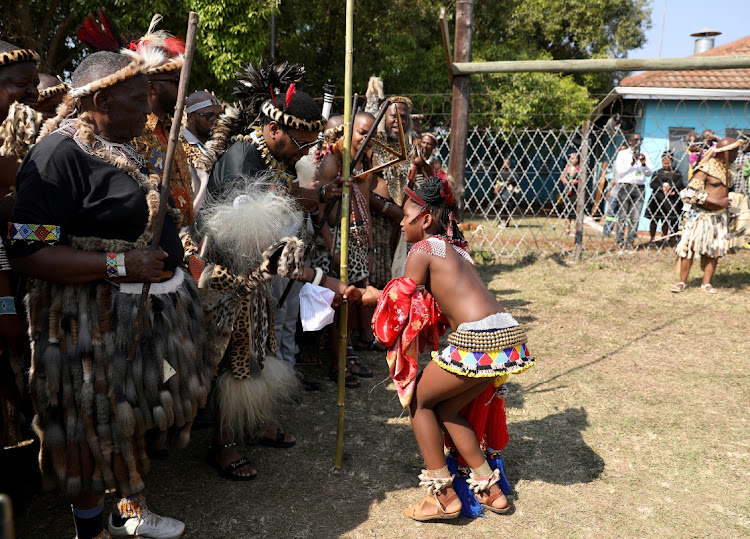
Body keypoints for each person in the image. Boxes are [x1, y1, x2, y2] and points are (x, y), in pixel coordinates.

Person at [8, 50, 213, 539]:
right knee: (86, 429)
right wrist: (120, 264)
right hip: (81, 325)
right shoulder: (56, 157)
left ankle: (132, 509)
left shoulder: (118, 143)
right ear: (99, 99)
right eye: (135, 98)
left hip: (134, 320)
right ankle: (91, 530)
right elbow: (27, 249)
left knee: (127, 417)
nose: (147, 108)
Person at [371, 177, 534, 521]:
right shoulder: (457, 248)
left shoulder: (422, 250)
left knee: (418, 401)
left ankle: (442, 497)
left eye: (406, 215)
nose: (400, 222)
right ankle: (490, 489)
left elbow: (400, 302)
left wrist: (363, 294)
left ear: (425, 220)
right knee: (446, 410)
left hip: (479, 341)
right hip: (508, 337)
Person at [130, 21, 195, 227]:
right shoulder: (135, 133)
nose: (182, 88)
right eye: (176, 82)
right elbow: (30, 235)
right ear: (152, 88)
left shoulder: (172, 129)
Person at [671, 137, 742, 293]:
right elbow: (688, 193)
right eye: (735, 151)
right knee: (689, 247)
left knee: (715, 250)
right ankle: (682, 282)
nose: (738, 154)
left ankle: (706, 283)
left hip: (719, 217)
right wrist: (715, 201)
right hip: (701, 215)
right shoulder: (705, 168)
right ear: (726, 152)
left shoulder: (730, 168)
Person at [365, 77, 413, 288]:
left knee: (393, 278)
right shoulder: (373, 145)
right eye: (394, 116)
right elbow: (360, 188)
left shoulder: (408, 149)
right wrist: (386, 208)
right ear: (384, 117)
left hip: (396, 225)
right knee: (373, 278)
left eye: (403, 117)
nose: (398, 121)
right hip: (373, 221)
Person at [181, 91, 222, 210]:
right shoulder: (178, 148)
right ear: (191, 117)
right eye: (209, 116)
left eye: (220, 115)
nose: (216, 121)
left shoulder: (222, 144)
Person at [614, 133, 653, 248]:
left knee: (635, 217)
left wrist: (644, 163)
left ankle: (630, 242)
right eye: (635, 140)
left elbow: (650, 172)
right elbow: (620, 172)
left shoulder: (645, 154)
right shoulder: (623, 154)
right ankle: (620, 241)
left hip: (639, 188)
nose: (638, 142)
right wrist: (632, 162)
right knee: (622, 216)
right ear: (630, 141)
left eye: (640, 140)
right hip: (625, 186)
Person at [646, 151, 683, 244]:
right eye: (664, 163)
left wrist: (671, 187)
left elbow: (680, 184)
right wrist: (661, 188)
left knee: (665, 220)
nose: (666, 165)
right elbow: (652, 184)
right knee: (654, 219)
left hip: (670, 201)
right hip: (657, 199)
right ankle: (652, 238)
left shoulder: (676, 173)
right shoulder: (657, 173)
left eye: (668, 163)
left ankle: (664, 238)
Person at [493, 157, 519, 228]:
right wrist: (498, 186)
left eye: (507, 163)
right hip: (501, 192)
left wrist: (506, 183)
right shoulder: (501, 172)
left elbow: (515, 180)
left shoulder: (512, 172)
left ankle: (506, 223)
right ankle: (501, 221)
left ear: (509, 164)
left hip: (509, 193)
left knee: (507, 206)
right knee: (498, 205)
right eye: (504, 163)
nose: (505, 164)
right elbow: (499, 181)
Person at [558, 152, 580, 234]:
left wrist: (576, 181)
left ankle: (575, 229)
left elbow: (583, 179)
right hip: (568, 190)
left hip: (575, 191)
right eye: (572, 158)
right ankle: (567, 229)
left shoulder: (579, 169)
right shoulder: (567, 168)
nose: (574, 160)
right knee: (567, 208)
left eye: (576, 158)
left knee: (575, 209)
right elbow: (562, 177)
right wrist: (566, 182)